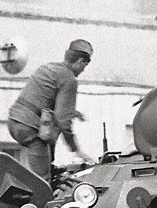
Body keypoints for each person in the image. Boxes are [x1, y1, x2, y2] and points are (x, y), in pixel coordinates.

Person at [8, 39, 96, 181]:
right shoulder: (69, 79)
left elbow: (43, 99)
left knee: (48, 162)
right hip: (30, 128)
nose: (82, 71)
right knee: (42, 181)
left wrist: (73, 112)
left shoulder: (48, 68)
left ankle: (50, 169)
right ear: (80, 61)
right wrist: (76, 150)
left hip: (14, 121)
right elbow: (63, 121)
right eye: (83, 66)